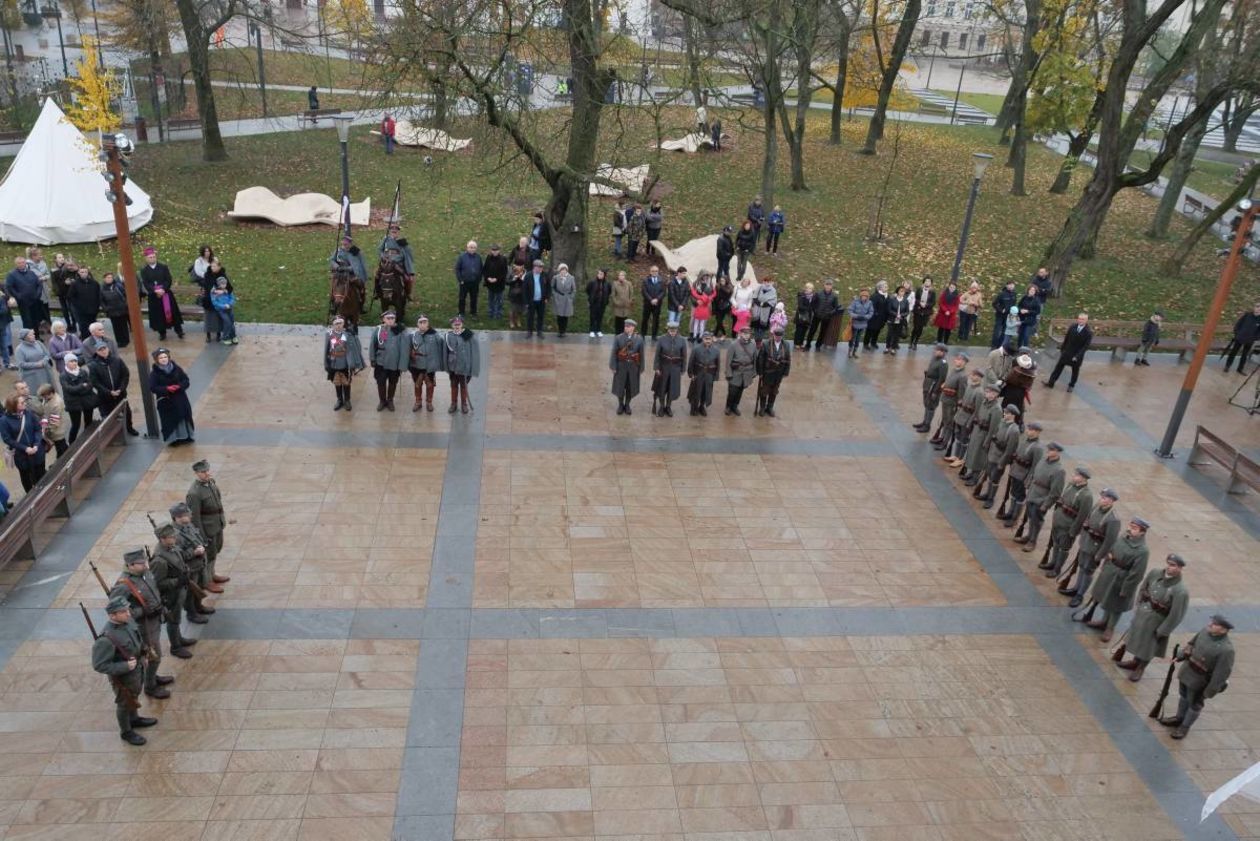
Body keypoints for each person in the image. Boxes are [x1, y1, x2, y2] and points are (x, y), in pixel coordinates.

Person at [91, 595, 157, 746]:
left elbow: (138, 639)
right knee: (124, 703)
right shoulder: (106, 639)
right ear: (112, 615)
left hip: (137, 669)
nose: (128, 613)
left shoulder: (128, 622)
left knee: (134, 696)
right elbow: (99, 665)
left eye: (127, 610)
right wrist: (124, 667)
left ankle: (134, 719)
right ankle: (126, 731)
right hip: (123, 677)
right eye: (123, 611)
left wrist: (144, 653)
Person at [1117, 554, 1189, 682]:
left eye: (1173, 565)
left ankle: (1141, 668)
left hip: (1157, 621)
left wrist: (1163, 630)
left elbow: (1176, 615)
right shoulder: (1156, 573)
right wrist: (1138, 604)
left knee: (1149, 647)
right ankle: (1135, 661)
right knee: (1139, 641)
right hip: (1143, 613)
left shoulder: (1180, 590)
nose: (1168, 567)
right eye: (1168, 563)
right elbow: (1144, 587)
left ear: (1180, 568)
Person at [109, 549, 170, 700]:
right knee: (154, 656)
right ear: (130, 565)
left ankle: (152, 676)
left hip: (154, 620)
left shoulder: (145, 574)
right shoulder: (123, 585)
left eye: (145, 562)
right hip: (143, 627)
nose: (146, 566)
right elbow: (116, 609)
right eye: (141, 563)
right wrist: (142, 611)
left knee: (155, 655)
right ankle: (150, 686)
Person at [1159, 615, 1234, 739]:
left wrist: (1209, 692)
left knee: (1195, 704)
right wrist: (1181, 655)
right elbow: (1191, 644)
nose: (1210, 624)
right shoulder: (1205, 631)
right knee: (1183, 696)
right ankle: (1179, 718)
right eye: (1212, 622)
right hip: (1187, 671)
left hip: (1200, 681)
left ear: (1223, 630)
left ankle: (1184, 727)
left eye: (1215, 624)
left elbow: (1221, 675)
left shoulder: (1227, 650)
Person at [1082, 516, 1150, 642]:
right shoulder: (1123, 538)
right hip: (1110, 572)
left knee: (1116, 606)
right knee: (1107, 600)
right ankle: (1103, 621)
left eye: (1134, 528)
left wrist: (1126, 589)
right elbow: (1111, 551)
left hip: (1122, 579)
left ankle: (1110, 628)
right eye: (1130, 526)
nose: (1130, 529)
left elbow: (1137, 573)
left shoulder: (1142, 551)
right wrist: (1106, 566)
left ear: (1142, 532)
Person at [1060, 487, 1120, 608]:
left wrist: (1099, 555)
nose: (1101, 499)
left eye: (1105, 498)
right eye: (1102, 497)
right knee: (1081, 566)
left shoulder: (1113, 519)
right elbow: (1086, 522)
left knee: (1088, 571)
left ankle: (1080, 594)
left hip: (1095, 549)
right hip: (1085, 544)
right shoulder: (1096, 508)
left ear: (1111, 500)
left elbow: (1110, 541)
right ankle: (1076, 588)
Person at [148, 522, 196, 659]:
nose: (174, 537)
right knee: (173, 621)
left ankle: (179, 639)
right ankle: (175, 647)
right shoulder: (159, 560)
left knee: (177, 618)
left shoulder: (172, 548)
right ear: (162, 539)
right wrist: (177, 581)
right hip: (171, 594)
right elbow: (157, 583)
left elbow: (179, 562)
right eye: (171, 536)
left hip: (179, 590)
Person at [1041, 465, 1092, 578]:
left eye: (1077, 475)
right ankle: (1053, 563)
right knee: (1056, 543)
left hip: (1068, 526)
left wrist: (1073, 531)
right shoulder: (1070, 486)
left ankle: (1057, 569)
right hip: (1058, 521)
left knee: (1063, 548)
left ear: (1083, 478)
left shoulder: (1086, 495)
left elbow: (1082, 516)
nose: (1074, 476)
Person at [187, 459, 229, 590]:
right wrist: (201, 535)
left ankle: (212, 574)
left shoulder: (211, 483)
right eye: (203, 472)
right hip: (207, 528)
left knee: (215, 550)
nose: (206, 473)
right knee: (208, 555)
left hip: (217, 524)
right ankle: (207, 582)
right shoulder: (194, 493)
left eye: (207, 470)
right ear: (196, 473)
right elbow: (194, 517)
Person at [1016, 441, 1065, 551]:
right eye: (1049, 449)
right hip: (1032, 493)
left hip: (1042, 497)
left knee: (1037, 520)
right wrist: (1029, 485)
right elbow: (1034, 474)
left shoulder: (1059, 470)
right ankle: (1029, 535)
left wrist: (1046, 505)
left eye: (1051, 450)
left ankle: (1033, 541)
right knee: (1030, 517)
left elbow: (1055, 492)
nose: (1048, 451)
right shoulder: (1043, 461)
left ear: (1057, 452)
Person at [170, 501, 214, 623]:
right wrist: (193, 553)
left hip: (199, 564)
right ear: (177, 517)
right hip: (189, 568)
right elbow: (177, 555)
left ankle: (199, 606)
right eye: (184, 515)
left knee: (199, 587)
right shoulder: (174, 534)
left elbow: (197, 538)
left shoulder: (188, 526)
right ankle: (192, 613)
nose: (188, 517)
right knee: (191, 592)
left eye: (187, 515)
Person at [973, 403, 1021, 510]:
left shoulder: (1014, 430)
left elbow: (1009, 450)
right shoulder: (1002, 422)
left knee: (995, 479)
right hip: (992, 454)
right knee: (990, 475)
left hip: (1000, 458)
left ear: (1013, 415)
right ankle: (987, 494)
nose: (1005, 414)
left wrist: (1002, 463)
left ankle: (991, 498)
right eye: (1005, 412)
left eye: (1007, 413)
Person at [88, 343, 140, 436]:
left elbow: (125, 375)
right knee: (108, 416)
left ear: (108, 349)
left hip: (121, 394)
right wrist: (109, 392)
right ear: (97, 352)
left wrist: (121, 388)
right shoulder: (93, 365)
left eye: (104, 348)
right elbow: (95, 382)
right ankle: (112, 433)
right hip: (105, 397)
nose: (103, 351)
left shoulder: (117, 360)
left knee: (127, 413)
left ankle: (129, 428)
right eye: (100, 350)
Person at [998, 419, 1043, 525]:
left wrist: (1028, 480)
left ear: (1037, 432)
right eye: (1029, 429)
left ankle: (1014, 518)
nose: (1028, 431)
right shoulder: (1024, 439)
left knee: (1019, 496)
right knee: (1013, 492)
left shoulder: (1037, 447)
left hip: (1023, 474)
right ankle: (1010, 512)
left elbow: (1035, 466)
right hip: (1015, 470)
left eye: (1031, 430)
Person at [1, 392, 47, 491]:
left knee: (42, 475)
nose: (25, 404)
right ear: (14, 406)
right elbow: (7, 439)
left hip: (37, 451)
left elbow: (38, 429)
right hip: (22, 456)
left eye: (24, 402)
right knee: (27, 479)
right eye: (22, 403)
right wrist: (25, 448)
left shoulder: (29, 413)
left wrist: (36, 445)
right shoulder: (4, 420)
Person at [149, 348, 194, 445]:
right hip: (166, 401)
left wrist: (179, 386)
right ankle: (174, 439)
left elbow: (186, 380)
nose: (164, 359)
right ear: (157, 360)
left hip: (180, 398)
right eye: (161, 358)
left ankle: (187, 436)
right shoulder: (154, 374)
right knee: (170, 420)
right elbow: (153, 387)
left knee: (183, 417)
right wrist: (166, 389)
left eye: (165, 357)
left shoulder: (177, 368)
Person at [139, 248, 185, 342]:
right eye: (150, 257)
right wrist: (155, 290)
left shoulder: (163, 267)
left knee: (172, 313)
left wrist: (163, 289)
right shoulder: (144, 270)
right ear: (146, 259)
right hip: (154, 296)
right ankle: (162, 333)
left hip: (166, 294)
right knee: (158, 315)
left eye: (153, 257)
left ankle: (179, 331)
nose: (152, 258)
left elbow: (168, 279)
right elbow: (146, 283)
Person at [960, 381, 1000, 484]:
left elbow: (993, 428)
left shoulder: (996, 409)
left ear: (996, 395)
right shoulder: (984, 402)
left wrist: (987, 441)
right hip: (977, 430)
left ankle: (975, 477)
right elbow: (977, 414)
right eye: (987, 392)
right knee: (973, 452)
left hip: (984, 434)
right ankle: (971, 473)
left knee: (980, 455)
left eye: (991, 392)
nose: (988, 394)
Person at [931, 351, 969, 452]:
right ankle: (942, 438)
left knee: (949, 423)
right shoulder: (954, 370)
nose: (957, 361)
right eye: (957, 359)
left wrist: (958, 404)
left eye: (960, 360)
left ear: (964, 362)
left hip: (952, 402)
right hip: (945, 399)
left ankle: (945, 442)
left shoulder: (962, 376)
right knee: (944, 420)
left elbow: (962, 392)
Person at [370, 310, 408, 411]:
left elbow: (404, 349)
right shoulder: (379, 330)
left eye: (392, 318)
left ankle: (390, 400)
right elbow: (373, 345)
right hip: (381, 362)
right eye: (388, 318)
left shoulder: (400, 330)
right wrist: (372, 358)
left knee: (393, 382)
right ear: (383, 319)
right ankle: (382, 401)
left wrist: (402, 364)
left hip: (394, 363)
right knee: (380, 382)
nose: (390, 320)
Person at [946, 369, 985, 467]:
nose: (971, 376)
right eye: (972, 374)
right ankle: (956, 455)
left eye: (974, 375)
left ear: (979, 377)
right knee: (958, 436)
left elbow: (977, 410)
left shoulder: (979, 392)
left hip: (967, 419)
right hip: (961, 415)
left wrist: (970, 422)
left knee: (964, 439)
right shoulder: (969, 387)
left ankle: (960, 458)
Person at [1044, 312, 1092, 391]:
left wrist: (1077, 356)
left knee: (1075, 370)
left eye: (1082, 319)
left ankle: (1071, 385)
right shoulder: (1073, 327)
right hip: (1067, 352)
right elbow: (1066, 338)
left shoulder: (1088, 332)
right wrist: (1062, 349)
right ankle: (1051, 382)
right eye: (1079, 318)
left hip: (1077, 355)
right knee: (1058, 368)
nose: (1080, 320)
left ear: (1086, 320)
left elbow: (1085, 347)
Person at [444, 315, 480, 414]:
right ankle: (453, 404)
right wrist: (446, 367)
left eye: (458, 324)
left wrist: (473, 368)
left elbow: (474, 353)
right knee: (454, 385)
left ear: (462, 324)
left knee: (464, 385)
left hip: (464, 367)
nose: (457, 326)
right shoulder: (448, 336)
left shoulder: (468, 335)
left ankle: (464, 404)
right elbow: (445, 352)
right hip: (453, 366)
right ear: (452, 325)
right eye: (455, 325)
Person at [4, 255, 47, 338]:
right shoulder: (12, 274)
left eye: (23, 262)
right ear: (16, 264)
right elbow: (9, 287)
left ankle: (37, 337)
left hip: (35, 301)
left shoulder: (31, 273)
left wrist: (38, 295)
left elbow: (39, 284)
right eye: (19, 263)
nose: (21, 264)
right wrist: (18, 296)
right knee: (27, 321)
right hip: (23, 303)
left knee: (36, 320)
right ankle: (28, 339)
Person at [59, 353, 97, 443]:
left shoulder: (83, 372)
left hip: (86, 401)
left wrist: (80, 388)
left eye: (75, 361)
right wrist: (82, 386)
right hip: (73, 404)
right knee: (76, 425)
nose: (74, 363)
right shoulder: (63, 376)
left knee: (89, 421)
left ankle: (89, 440)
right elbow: (69, 389)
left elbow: (90, 384)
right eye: (71, 361)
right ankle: (71, 443)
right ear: (66, 363)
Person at [407, 314, 442, 412]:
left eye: (425, 322)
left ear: (428, 323)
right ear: (417, 324)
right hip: (416, 364)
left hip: (429, 363)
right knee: (417, 384)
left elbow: (442, 345)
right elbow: (407, 349)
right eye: (420, 322)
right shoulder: (412, 335)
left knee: (430, 384)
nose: (423, 324)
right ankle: (418, 402)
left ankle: (429, 402)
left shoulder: (434, 335)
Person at [653, 322, 688, 417]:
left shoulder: (682, 340)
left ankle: (668, 406)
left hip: (675, 368)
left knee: (672, 388)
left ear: (677, 330)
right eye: (671, 330)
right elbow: (657, 355)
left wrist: (683, 369)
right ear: (667, 329)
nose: (672, 332)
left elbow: (684, 356)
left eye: (674, 330)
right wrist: (656, 368)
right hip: (663, 367)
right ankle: (661, 406)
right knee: (662, 387)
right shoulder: (662, 339)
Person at [754, 325, 791, 417]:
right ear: (773, 335)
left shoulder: (786, 344)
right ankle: (762, 408)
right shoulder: (766, 344)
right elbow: (761, 359)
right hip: (767, 372)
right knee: (764, 391)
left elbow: (788, 358)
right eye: (776, 336)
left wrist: (786, 372)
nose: (778, 338)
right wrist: (760, 372)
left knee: (774, 391)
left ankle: (769, 407)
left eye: (780, 336)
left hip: (779, 373)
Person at [610, 318, 644, 415]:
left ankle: (627, 404)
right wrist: (613, 366)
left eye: (628, 327)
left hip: (633, 367)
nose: (626, 328)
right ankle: (620, 405)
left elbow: (641, 354)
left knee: (630, 386)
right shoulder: (619, 338)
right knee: (620, 386)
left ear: (633, 328)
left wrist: (641, 368)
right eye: (625, 326)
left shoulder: (639, 339)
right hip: (621, 366)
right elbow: (614, 353)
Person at [913, 343, 949, 433]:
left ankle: (927, 425)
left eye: (937, 350)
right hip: (928, 384)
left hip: (934, 386)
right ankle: (924, 422)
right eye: (935, 349)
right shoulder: (934, 359)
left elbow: (942, 379)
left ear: (943, 352)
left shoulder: (943, 364)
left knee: (931, 406)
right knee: (926, 404)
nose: (935, 351)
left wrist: (936, 392)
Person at [724, 324, 757, 415]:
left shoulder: (753, 345)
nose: (747, 335)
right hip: (736, 372)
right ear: (740, 334)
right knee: (732, 391)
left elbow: (755, 359)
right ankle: (728, 406)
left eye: (748, 333)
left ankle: (735, 406)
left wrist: (754, 372)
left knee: (740, 390)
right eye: (745, 333)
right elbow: (728, 361)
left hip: (747, 372)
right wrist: (728, 373)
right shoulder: (733, 345)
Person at [687, 331, 720, 416]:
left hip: (709, 374)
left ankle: (702, 406)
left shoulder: (716, 350)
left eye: (710, 339)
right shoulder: (696, 349)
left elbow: (717, 364)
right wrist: (691, 373)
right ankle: (694, 407)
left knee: (706, 391)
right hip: (698, 373)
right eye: (706, 339)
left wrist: (716, 376)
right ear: (702, 339)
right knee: (696, 391)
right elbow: (691, 362)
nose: (708, 341)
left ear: (712, 339)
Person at [199, 257, 231, 343]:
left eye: (214, 266)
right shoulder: (207, 274)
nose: (213, 268)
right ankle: (208, 335)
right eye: (212, 266)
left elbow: (229, 287)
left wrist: (223, 291)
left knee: (218, 318)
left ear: (219, 267)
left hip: (219, 301)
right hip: (209, 299)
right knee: (208, 318)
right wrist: (213, 291)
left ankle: (218, 334)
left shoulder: (223, 275)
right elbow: (206, 285)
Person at [192, 246, 221, 342]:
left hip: (216, 289)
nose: (207, 252)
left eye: (208, 251)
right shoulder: (198, 261)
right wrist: (208, 275)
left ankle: (218, 332)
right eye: (205, 251)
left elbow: (219, 272)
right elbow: (199, 272)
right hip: (206, 289)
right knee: (208, 313)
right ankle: (208, 334)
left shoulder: (215, 259)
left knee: (217, 311)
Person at [66, 265, 102, 340]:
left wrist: (96, 307)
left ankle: (95, 340)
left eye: (85, 272)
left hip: (93, 311)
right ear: (79, 273)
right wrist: (78, 306)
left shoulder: (94, 283)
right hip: (81, 312)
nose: (84, 273)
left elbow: (99, 296)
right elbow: (70, 297)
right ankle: (85, 342)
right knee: (84, 328)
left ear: (88, 272)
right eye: (82, 272)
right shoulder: (75, 284)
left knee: (93, 327)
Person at [1224, 301, 1259, 374]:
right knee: (1233, 352)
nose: (1258, 309)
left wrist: (1254, 338)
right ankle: (1227, 366)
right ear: (1254, 307)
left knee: (1244, 355)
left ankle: (1240, 369)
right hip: (1239, 338)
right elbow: (1238, 324)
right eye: (1257, 307)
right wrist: (1237, 333)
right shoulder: (1247, 315)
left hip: (1249, 340)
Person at [15, 328, 54, 393]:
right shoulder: (19, 349)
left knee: (49, 391)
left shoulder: (38, 343)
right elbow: (21, 364)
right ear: (25, 337)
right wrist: (36, 364)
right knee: (37, 393)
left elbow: (47, 355)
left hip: (45, 372)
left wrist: (43, 362)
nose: (34, 335)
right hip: (32, 377)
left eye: (33, 334)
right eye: (31, 335)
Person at [34, 383, 67, 457]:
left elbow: (54, 423)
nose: (43, 398)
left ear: (50, 393)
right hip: (54, 429)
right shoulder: (49, 399)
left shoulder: (56, 404)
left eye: (44, 396)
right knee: (61, 447)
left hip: (57, 432)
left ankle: (62, 461)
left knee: (61, 448)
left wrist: (46, 430)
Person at [100, 272, 131, 348]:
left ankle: (126, 340)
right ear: (104, 279)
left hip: (121, 309)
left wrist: (125, 305)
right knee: (116, 327)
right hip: (112, 311)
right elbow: (101, 300)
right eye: (108, 278)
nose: (109, 279)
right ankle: (119, 341)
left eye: (111, 277)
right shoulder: (102, 288)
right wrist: (106, 309)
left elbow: (125, 295)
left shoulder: (118, 286)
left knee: (123, 325)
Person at [454, 240, 483, 318]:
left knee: (474, 298)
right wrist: (460, 280)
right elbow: (457, 269)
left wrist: (479, 280)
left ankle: (473, 313)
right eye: (471, 247)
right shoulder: (462, 257)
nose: (472, 249)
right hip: (464, 282)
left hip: (474, 282)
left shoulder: (478, 257)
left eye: (474, 248)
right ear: (467, 248)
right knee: (462, 298)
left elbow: (481, 269)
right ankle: (461, 313)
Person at [50, 253, 76, 335]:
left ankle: (74, 324)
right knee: (64, 310)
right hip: (61, 293)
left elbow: (73, 275)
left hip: (69, 292)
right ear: (56, 259)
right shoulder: (53, 269)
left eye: (62, 257)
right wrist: (57, 292)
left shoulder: (68, 266)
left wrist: (70, 282)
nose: (62, 259)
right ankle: (68, 324)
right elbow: (54, 282)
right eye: (59, 257)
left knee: (72, 309)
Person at [811, 280, 840, 352]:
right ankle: (808, 344)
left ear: (832, 286)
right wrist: (815, 311)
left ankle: (818, 345)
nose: (828, 286)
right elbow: (813, 303)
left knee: (822, 332)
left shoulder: (834, 296)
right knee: (812, 330)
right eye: (827, 284)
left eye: (829, 285)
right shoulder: (818, 293)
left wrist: (830, 313)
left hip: (827, 317)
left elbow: (835, 307)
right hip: (817, 316)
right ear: (824, 285)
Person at [483, 243, 509, 320]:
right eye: (493, 250)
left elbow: (504, 272)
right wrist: (487, 278)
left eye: (496, 250)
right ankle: (491, 313)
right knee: (490, 299)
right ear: (491, 250)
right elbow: (485, 269)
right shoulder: (488, 258)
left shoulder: (503, 259)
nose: (494, 251)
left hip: (499, 284)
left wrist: (496, 279)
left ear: (499, 251)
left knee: (499, 300)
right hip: (490, 283)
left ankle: (498, 314)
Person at [525, 260, 550, 338]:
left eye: (542, 267)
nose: (541, 269)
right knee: (530, 317)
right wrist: (526, 301)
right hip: (531, 300)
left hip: (541, 300)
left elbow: (549, 287)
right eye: (539, 267)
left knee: (540, 316)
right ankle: (530, 332)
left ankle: (539, 331)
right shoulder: (528, 275)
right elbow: (524, 289)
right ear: (534, 267)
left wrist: (547, 297)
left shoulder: (545, 275)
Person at [908, 277, 935, 350]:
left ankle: (915, 343)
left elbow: (933, 303)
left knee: (920, 328)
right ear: (924, 282)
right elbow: (915, 299)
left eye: (929, 281)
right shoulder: (919, 290)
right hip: (918, 311)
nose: (927, 282)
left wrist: (926, 305)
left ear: (931, 283)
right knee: (915, 327)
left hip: (926, 313)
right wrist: (919, 303)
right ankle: (911, 342)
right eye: (926, 281)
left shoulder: (932, 292)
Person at [883, 284, 911, 354]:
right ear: (898, 291)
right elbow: (889, 309)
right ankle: (887, 347)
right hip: (892, 319)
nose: (902, 293)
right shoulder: (892, 299)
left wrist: (901, 315)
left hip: (900, 320)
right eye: (901, 291)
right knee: (889, 334)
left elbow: (907, 311)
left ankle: (893, 348)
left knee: (896, 335)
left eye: (903, 291)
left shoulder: (906, 301)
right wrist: (896, 315)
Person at [551, 263, 577, 337]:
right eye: (561, 270)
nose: (563, 271)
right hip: (558, 299)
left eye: (564, 269)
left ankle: (564, 331)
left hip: (567, 299)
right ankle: (559, 331)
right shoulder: (555, 277)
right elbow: (552, 287)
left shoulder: (571, 278)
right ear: (559, 270)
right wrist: (555, 295)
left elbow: (574, 289)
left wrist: (571, 297)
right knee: (559, 316)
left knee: (565, 316)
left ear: (567, 270)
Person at [990, 280, 1017, 349]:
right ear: (1006, 286)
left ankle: (1000, 345)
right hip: (1000, 315)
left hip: (1008, 316)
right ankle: (993, 345)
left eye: (1012, 284)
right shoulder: (1002, 294)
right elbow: (994, 304)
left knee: (1004, 331)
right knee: (997, 331)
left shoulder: (1014, 294)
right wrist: (1001, 310)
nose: (1011, 286)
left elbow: (1014, 303)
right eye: (1009, 284)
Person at [210, 277, 237, 345]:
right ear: (219, 284)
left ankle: (233, 336)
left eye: (225, 284)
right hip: (221, 310)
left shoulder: (227, 290)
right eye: (222, 284)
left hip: (229, 308)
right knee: (227, 322)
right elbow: (215, 302)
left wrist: (229, 304)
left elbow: (232, 298)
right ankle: (225, 337)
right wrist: (223, 306)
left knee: (232, 322)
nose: (224, 285)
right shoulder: (214, 292)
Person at [640, 265, 665, 340]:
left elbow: (663, 292)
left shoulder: (661, 280)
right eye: (653, 271)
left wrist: (657, 299)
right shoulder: (645, 280)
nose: (655, 272)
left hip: (657, 304)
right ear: (650, 272)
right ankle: (643, 335)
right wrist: (651, 300)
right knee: (645, 319)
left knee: (656, 320)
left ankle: (654, 336)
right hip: (647, 303)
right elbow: (644, 291)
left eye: (656, 271)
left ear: (658, 272)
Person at [847, 289, 873, 358]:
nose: (864, 297)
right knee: (852, 338)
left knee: (858, 339)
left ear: (867, 297)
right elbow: (850, 310)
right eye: (863, 296)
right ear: (860, 296)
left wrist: (865, 317)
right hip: (855, 323)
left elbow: (871, 312)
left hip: (863, 324)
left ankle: (854, 352)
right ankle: (850, 351)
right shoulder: (855, 302)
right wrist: (856, 316)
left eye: (866, 296)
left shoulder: (869, 303)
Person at [864, 281, 890, 351]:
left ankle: (873, 342)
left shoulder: (887, 296)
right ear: (880, 288)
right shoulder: (875, 296)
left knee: (877, 331)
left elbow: (888, 307)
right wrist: (876, 313)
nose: (886, 286)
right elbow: (872, 307)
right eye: (885, 285)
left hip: (882, 318)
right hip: (874, 318)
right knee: (870, 331)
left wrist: (886, 316)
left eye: (886, 285)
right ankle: (866, 343)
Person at [689, 272, 714, 342]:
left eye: (707, 276)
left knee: (700, 322)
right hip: (699, 307)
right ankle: (696, 335)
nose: (705, 277)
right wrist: (696, 301)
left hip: (702, 308)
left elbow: (712, 293)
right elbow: (692, 294)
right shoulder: (696, 283)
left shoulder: (709, 284)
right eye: (704, 275)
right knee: (696, 321)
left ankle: (697, 335)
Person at [587, 268, 611, 338]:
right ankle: (591, 330)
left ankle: (598, 330)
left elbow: (609, 292)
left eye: (601, 274)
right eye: (598, 274)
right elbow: (588, 290)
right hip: (594, 303)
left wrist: (605, 299)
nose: (599, 275)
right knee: (592, 317)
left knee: (600, 317)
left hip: (602, 303)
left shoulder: (607, 283)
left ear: (604, 275)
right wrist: (591, 298)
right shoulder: (592, 282)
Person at [751, 276, 777, 341]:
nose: (766, 283)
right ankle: (756, 338)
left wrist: (764, 304)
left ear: (771, 282)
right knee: (756, 325)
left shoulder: (773, 290)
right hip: (757, 309)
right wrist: (759, 303)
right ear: (763, 281)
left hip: (766, 310)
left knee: (763, 326)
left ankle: (760, 339)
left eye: (768, 281)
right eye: (765, 281)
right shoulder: (759, 287)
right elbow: (754, 297)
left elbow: (773, 301)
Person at [1016, 284, 1042, 348]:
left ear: (1035, 292)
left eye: (1033, 290)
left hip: (1030, 320)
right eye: (1030, 290)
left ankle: (1025, 351)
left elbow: (1038, 311)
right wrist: (1020, 310)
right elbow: (1019, 306)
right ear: (1028, 290)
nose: (1032, 291)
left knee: (1026, 335)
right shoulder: (1024, 297)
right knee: (1020, 335)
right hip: (1022, 319)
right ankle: (1019, 348)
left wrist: (1028, 311)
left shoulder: (1037, 300)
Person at [665, 266, 691, 330]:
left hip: (681, 307)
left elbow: (687, 294)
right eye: (684, 273)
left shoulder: (686, 282)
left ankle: (676, 337)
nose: (685, 275)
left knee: (677, 323)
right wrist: (678, 305)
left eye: (685, 273)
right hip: (672, 307)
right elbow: (671, 295)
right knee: (671, 323)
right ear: (679, 273)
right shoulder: (672, 282)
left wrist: (682, 305)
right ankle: (669, 337)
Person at [793, 283, 817, 351]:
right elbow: (800, 306)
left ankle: (801, 343)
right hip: (801, 315)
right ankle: (796, 343)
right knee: (799, 330)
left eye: (810, 288)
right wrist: (809, 308)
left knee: (804, 330)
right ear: (805, 288)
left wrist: (812, 308)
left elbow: (814, 306)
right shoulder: (801, 295)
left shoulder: (813, 297)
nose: (809, 290)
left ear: (812, 290)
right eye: (808, 288)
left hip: (808, 316)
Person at [611, 270, 633, 336]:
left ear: (625, 276)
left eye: (622, 275)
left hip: (626, 306)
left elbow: (631, 293)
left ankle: (624, 333)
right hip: (618, 306)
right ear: (618, 277)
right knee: (618, 320)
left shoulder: (629, 283)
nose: (621, 277)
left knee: (625, 320)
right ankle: (617, 334)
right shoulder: (615, 284)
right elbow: (613, 295)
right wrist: (616, 302)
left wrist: (629, 301)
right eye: (620, 275)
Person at [507, 264, 526, 330]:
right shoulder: (512, 273)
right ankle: (511, 321)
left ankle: (518, 320)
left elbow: (527, 284)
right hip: (513, 294)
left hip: (521, 295)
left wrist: (521, 279)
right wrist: (514, 279)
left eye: (520, 269)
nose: (519, 271)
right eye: (517, 269)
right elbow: (507, 282)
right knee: (512, 309)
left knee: (519, 309)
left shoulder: (524, 274)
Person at [0, 281, 13, 369]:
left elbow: (4, 310)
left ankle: (7, 363)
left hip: (1, 325)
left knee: (4, 345)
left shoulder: (1, 297)